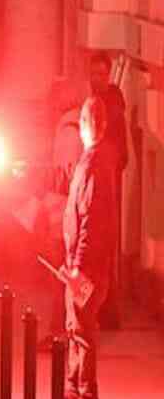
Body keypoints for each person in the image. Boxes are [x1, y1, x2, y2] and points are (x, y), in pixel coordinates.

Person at [61, 95, 118, 399]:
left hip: (87, 266)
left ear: (85, 126)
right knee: (75, 327)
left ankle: (86, 397)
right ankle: (72, 391)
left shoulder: (95, 162)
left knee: (82, 329)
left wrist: (77, 267)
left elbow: (93, 219)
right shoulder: (95, 159)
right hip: (83, 263)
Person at [87, 52, 126, 330]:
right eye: (93, 73)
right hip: (103, 177)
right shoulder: (99, 100)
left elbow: (117, 147)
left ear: (108, 74)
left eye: (101, 74)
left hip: (109, 179)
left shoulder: (110, 103)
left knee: (106, 247)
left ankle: (108, 310)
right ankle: (104, 308)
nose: (96, 79)